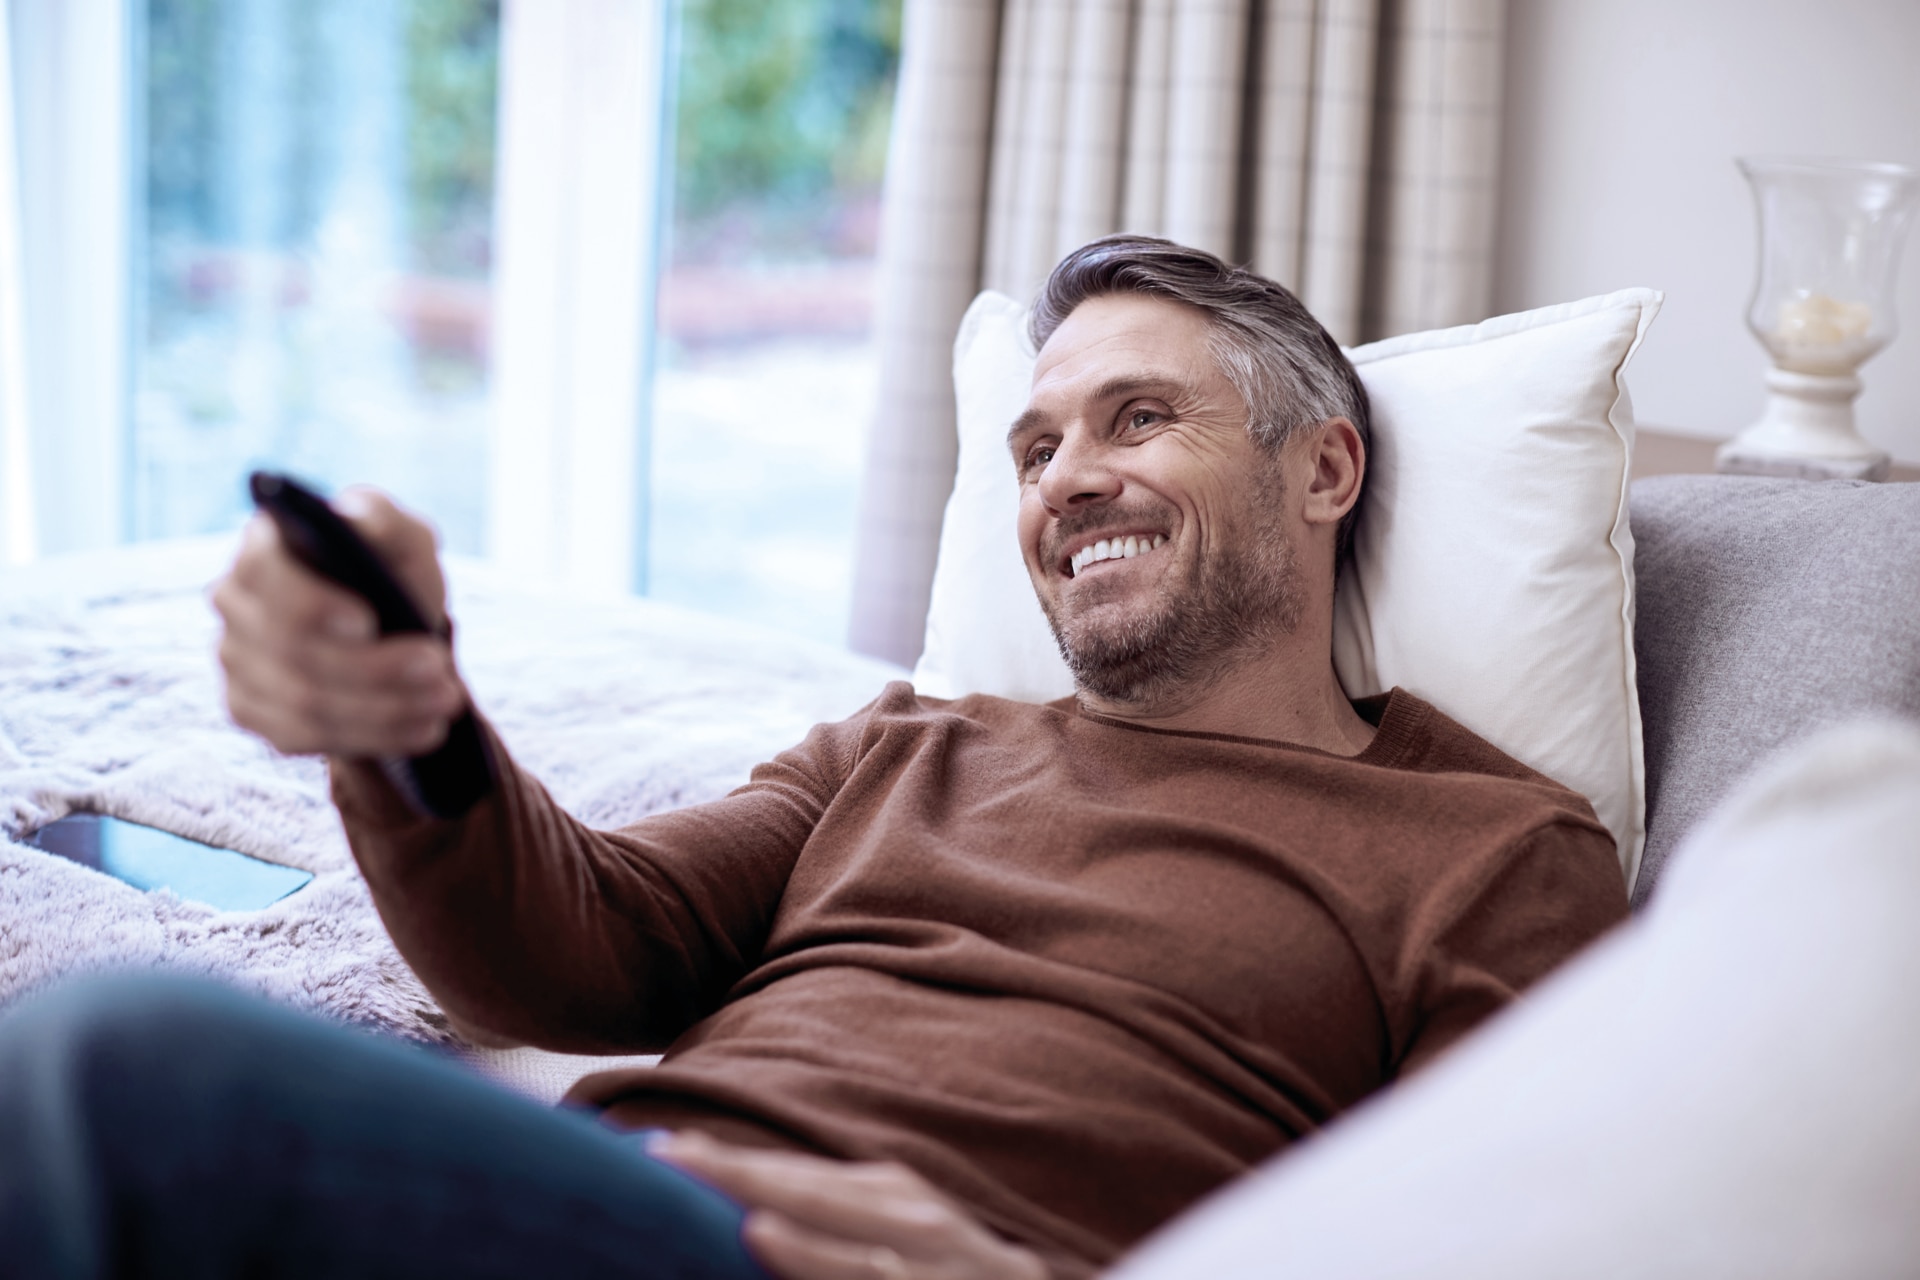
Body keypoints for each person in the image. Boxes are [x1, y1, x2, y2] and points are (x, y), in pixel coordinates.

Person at [0, 236, 1627, 1280]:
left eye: (1140, 421)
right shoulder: (912, 746)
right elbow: (577, 947)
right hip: (617, 1205)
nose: (1065, 482)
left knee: (126, 1062)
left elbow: (1509, 1234)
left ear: (1325, 466)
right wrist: (409, 731)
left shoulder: (1488, 847)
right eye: (1039, 447)